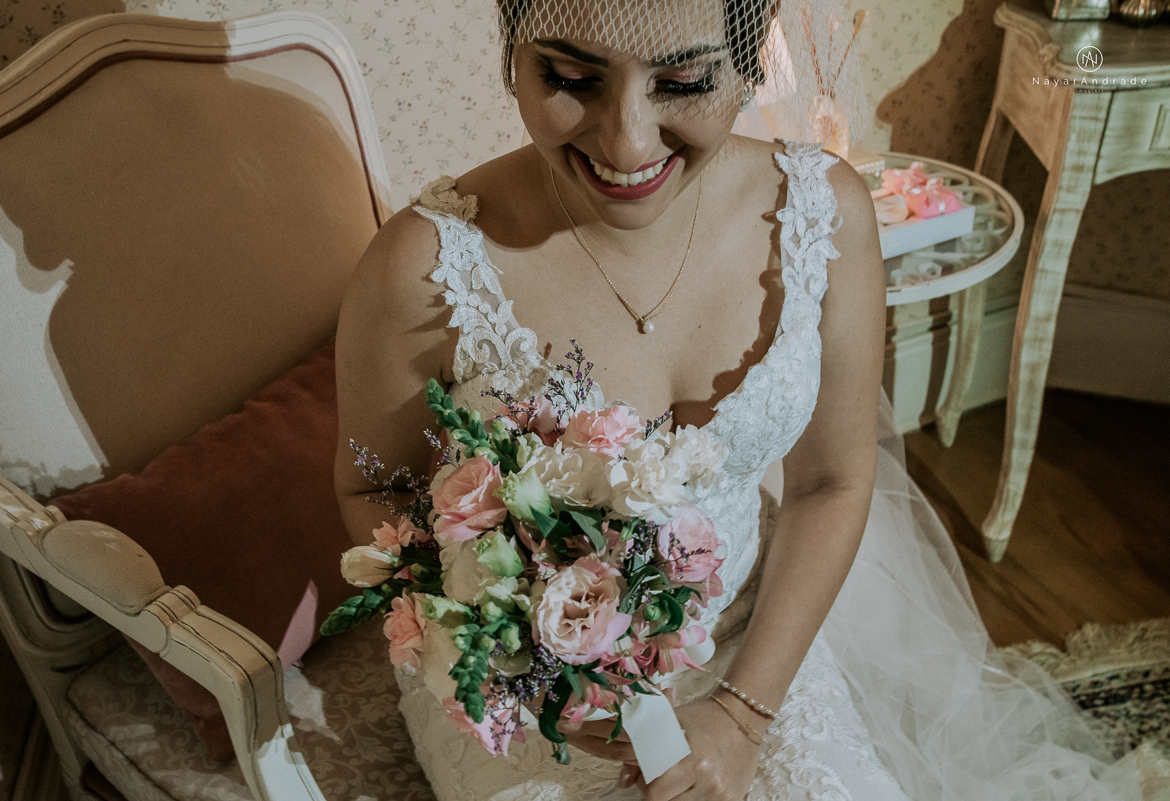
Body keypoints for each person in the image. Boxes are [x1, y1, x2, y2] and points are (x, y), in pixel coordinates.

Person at [333, 0, 1150, 798]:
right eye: (572, 78)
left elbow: (831, 483)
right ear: (514, 51)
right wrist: (515, 654)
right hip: (529, 691)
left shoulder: (822, 214)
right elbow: (375, 487)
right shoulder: (423, 264)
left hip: (753, 643)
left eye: (684, 81)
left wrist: (744, 714)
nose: (627, 141)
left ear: (751, 55)